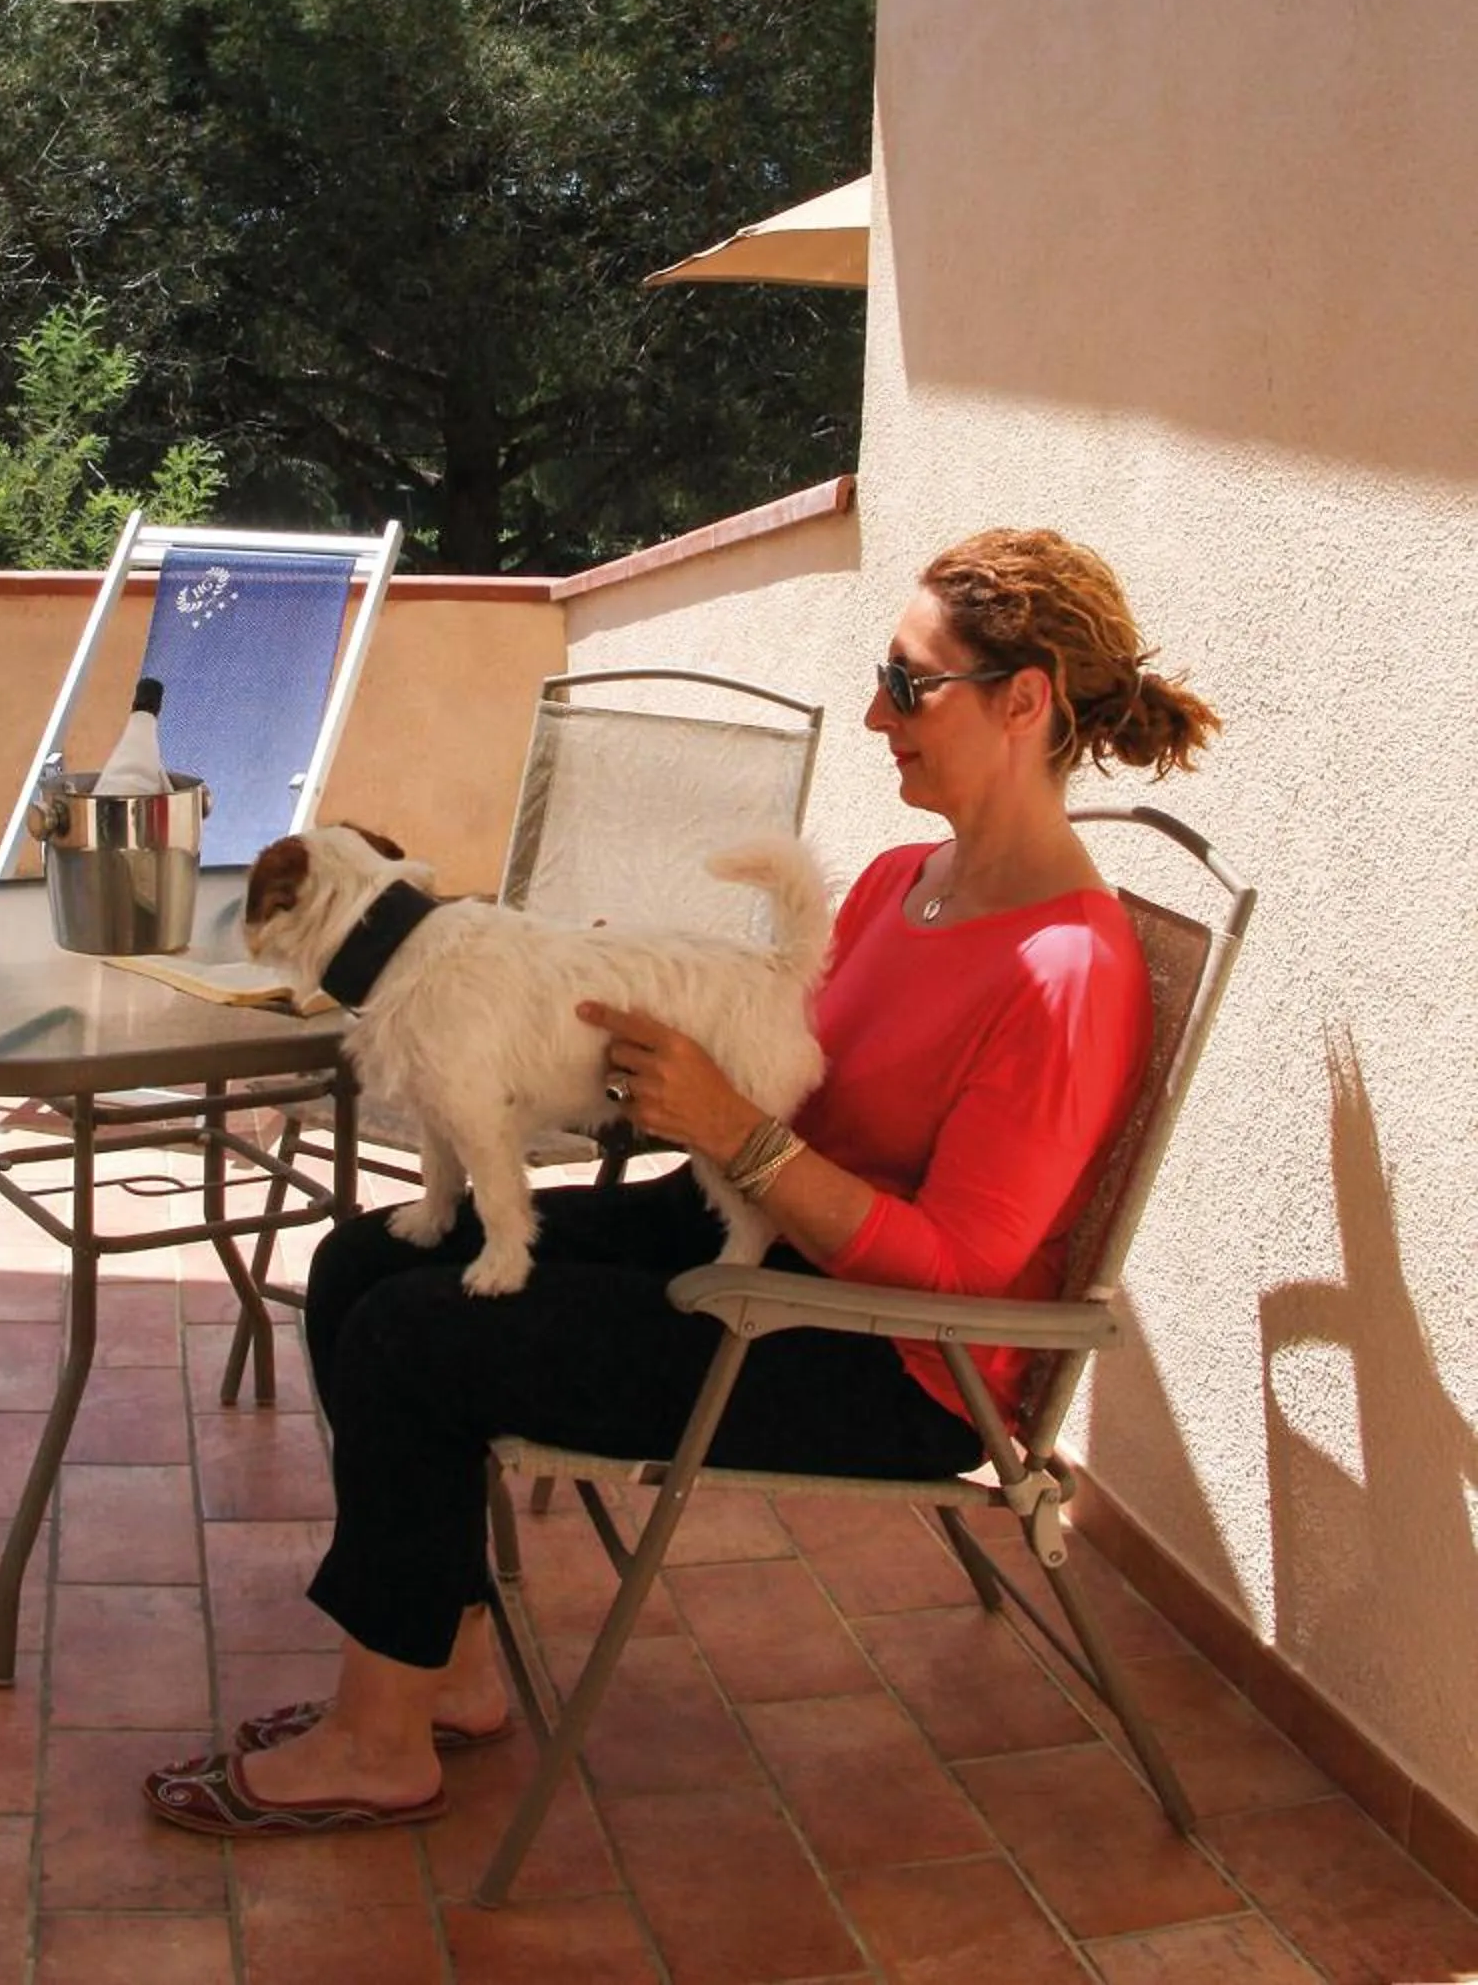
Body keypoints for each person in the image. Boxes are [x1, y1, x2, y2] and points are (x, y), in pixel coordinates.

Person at [144, 528, 1221, 1836]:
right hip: (760, 1238)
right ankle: (451, 1663)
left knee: (418, 1339)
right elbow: (787, 1075)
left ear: (1025, 701)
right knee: (365, 1261)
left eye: (908, 683)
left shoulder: (1065, 971)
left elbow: (961, 1273)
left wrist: (740, 1135)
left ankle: (380, 1739)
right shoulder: (902, 883)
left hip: (873, 1355)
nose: (879, 713)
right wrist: (602, 1014)